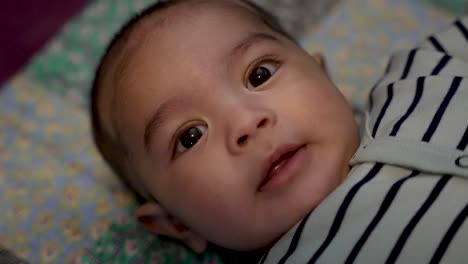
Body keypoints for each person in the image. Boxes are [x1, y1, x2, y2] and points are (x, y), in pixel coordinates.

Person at [90, 0, 468, 262]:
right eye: (190, 136)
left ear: (322, 75)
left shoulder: (422, 77)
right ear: (175, 223)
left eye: (259, 74)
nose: (246, 122)